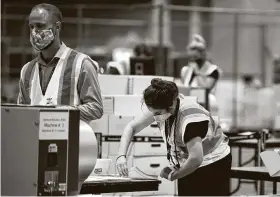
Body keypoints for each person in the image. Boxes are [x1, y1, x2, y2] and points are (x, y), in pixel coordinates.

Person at [116, 78, 232, 196]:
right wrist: (121, 156)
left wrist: (175, 175)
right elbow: (131, 127)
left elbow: (196, 158)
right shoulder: (162, 104)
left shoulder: (190, 118)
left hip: (213, 163)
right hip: (190, 160)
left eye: (157, 113)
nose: (155, 118)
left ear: (171, 105)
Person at [17, 3, 103, 122]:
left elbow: (96, 108)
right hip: (33, 138)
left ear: (57, 27)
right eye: (31, 27)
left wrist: (58, 112)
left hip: (70, 138)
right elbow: (20, 112)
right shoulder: (27, 70)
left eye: (40, 26)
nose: (34, 32)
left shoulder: (82, 63)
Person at [180, 34, 222, 115]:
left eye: (196, 58)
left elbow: (205, 89)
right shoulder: (186, 70)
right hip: (189, 106)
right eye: (191, 58)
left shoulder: (213, 70)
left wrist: (197, 72)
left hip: (207, 106)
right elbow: (184, 88)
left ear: (203, 54)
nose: (193, 61)